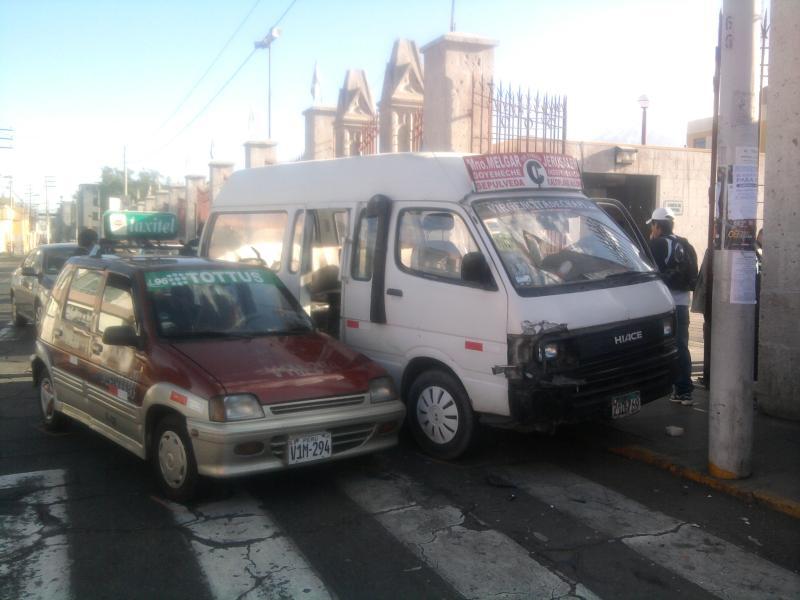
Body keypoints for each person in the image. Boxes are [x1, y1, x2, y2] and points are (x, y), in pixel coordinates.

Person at [646, 206, 697, 405]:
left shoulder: (657, 245)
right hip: (683, 301)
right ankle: (683, 389)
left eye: (653, 225)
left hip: (663, 304)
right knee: (681, 345)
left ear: (657, 225)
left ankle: (672, 387)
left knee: (661, 346)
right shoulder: (684, 243)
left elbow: (648, 273)